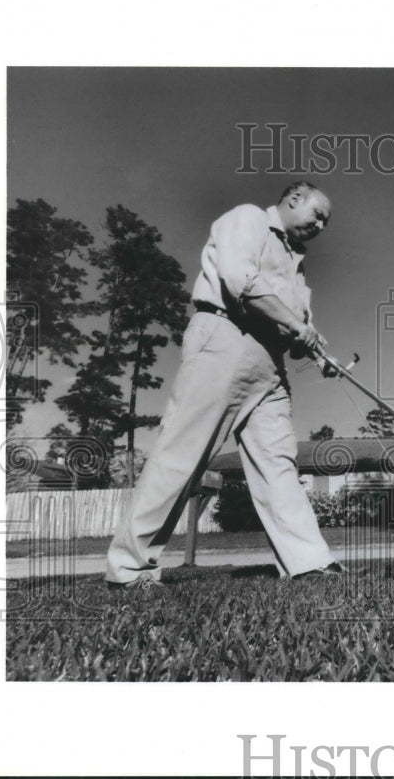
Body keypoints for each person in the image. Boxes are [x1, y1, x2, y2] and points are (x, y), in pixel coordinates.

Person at [106, 182, 342, 589]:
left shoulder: (297, 267)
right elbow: (242, 285)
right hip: (226, 338)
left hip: (270, 366)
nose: (320, 225)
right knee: (183, 455)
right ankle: (130, 570)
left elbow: (298, 328)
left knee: (279, 465)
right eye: (317, 214)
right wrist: (296, 326)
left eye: (326, 222)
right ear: (294, 198)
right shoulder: (247, 218)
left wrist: (319, 353)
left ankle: (308, 563)